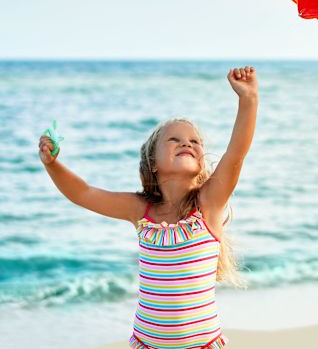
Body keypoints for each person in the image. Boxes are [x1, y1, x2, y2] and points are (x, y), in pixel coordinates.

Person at [39, 66, 258, 349]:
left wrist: (248, 98)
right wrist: (53, 164)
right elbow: (83, 193)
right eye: (174, 140)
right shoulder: (140, 209)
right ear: (153, 163)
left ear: (201, 163)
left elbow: (236, 153)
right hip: (148, 344)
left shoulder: (208, 205)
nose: (187, 144)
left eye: (195, 142)